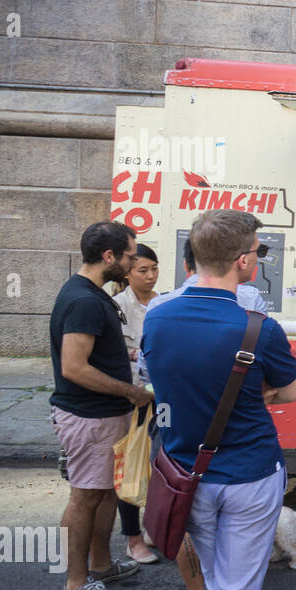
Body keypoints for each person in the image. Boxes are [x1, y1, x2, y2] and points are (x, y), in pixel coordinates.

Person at [143, 209, 296, 590]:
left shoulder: (158, 317)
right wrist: (256, 392)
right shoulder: (258, 326)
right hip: (250, 477)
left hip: (186, 477)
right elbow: (293, 391)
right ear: (241, 262)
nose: (259, 259)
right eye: (258, 251)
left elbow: (160, 381)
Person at [138, 238, 269, 590]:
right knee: (235, 517)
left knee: (183, 510)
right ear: (239, 262)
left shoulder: (159, 308)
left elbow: (148, 373)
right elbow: (269, 377)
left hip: (175, 425)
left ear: (185, 264)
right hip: (237, 426)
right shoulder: (251, 303)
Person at [49, 221, 152, 590]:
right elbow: (74, 366)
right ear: (108, 257)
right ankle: (77, 582)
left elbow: (90, 355)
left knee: (105, 491)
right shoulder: (85, 301)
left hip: (105, 415)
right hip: (90, 418)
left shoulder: (92, 295)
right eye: (128, 256)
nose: (132, 263)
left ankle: (102, 565)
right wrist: (131, 392)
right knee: (86, 496)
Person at [112, 242, 160, 565]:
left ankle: (154, 525)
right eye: (143, 270)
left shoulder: (165, 303)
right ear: (127, 274)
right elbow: (114, 354)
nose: (151, 276)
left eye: (154, 269)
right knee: (129, 466)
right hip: (129, 399)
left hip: (161, 398)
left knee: (159, 467)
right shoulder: (115, 305)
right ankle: (133, 538)